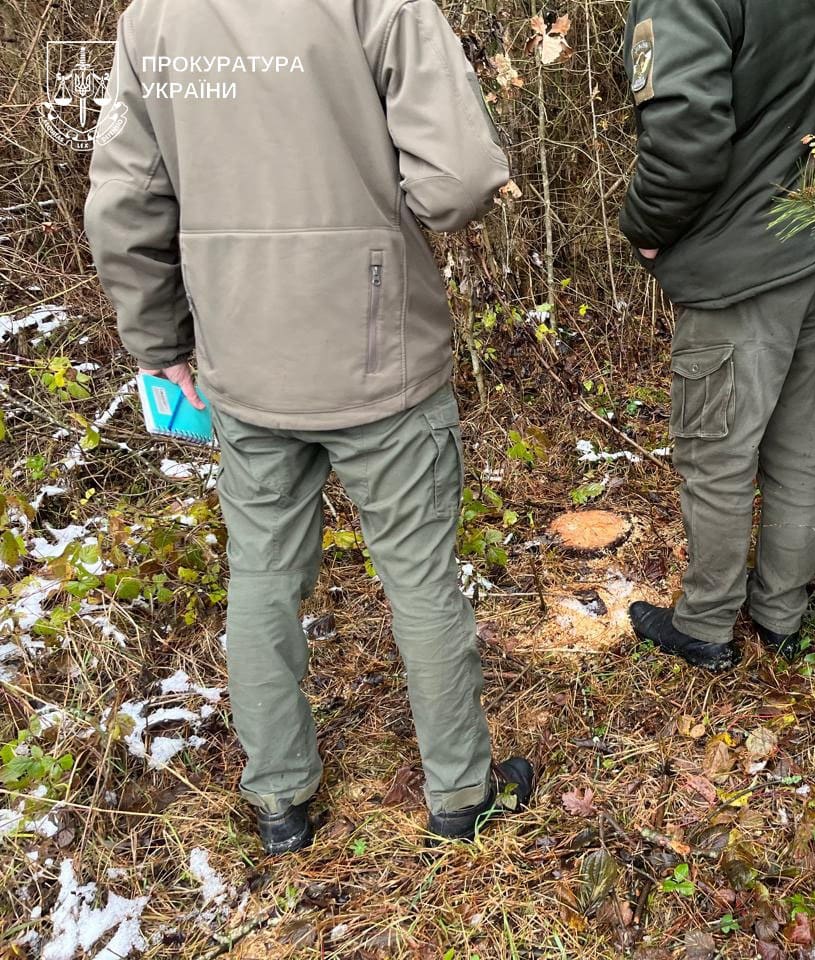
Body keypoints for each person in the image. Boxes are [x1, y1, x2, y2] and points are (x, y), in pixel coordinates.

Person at [84, 0, 534, 855]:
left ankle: (279, 801)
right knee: (419, 579)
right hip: (378, 350)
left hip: (241, 353)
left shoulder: (153, 18)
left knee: (261, 576)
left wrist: (159, 341)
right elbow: (460, 178)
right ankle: (460, 795)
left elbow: (123, 206)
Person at [620, 0, 815, 671]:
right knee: (796, 445)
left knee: (716, 456)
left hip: (746, 264)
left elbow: (685, 140)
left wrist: (645, 228)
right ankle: (781, 614)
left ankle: (704, 623)